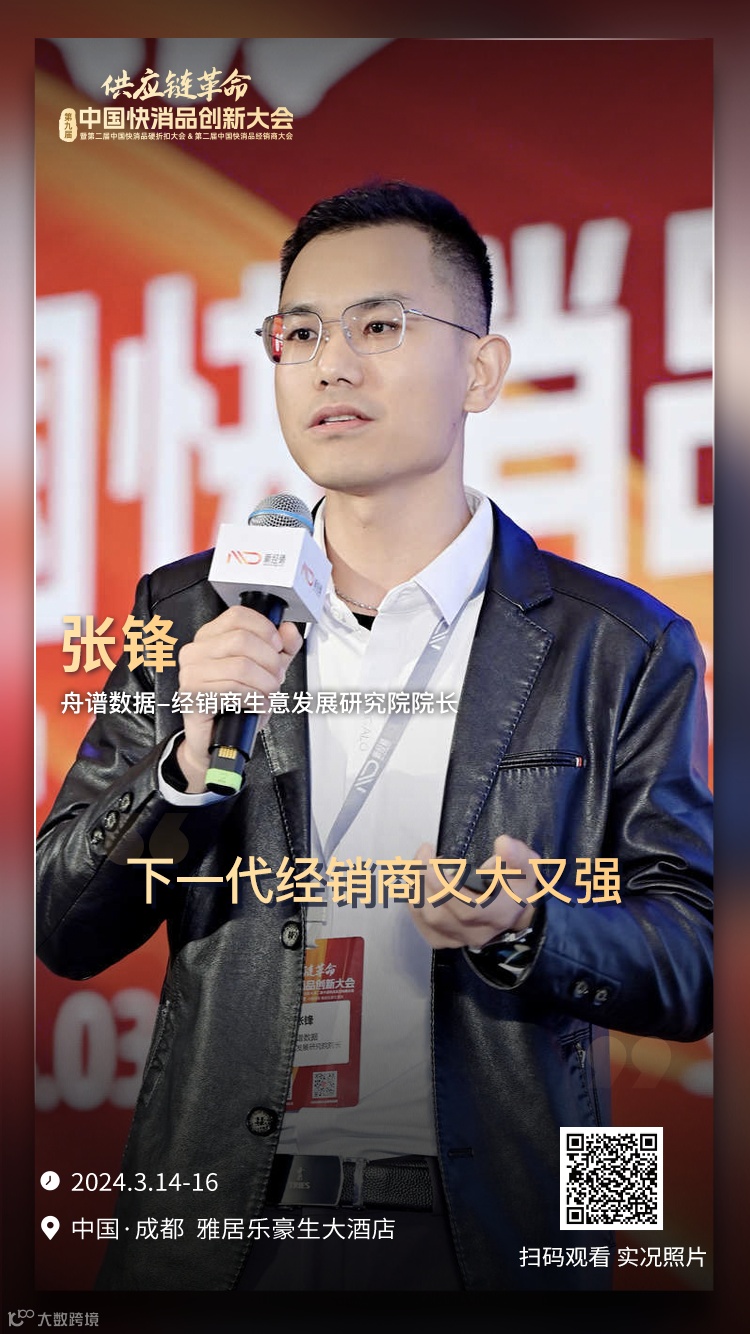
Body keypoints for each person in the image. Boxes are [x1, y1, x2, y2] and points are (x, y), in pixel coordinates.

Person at [36, 181, 713, 1292]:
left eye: (380, 326)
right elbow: (63, 925)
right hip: (226, 1223)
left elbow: (696, 958)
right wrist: (183, 766)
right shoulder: (193, 611)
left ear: (481, 371)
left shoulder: (620, 645)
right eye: (300, 333)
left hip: (499, 1225)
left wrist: (532, 924)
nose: (332, 366)